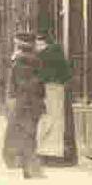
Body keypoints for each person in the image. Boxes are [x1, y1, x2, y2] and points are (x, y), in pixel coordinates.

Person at [2, 32, 46, 179]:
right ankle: (29, 168)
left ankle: (27, 167)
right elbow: (37, 84)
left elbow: (21, 84)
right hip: (31, 103)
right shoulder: (33, 60)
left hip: (23, 103)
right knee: (29, 135)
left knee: (24, 135)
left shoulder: (21, 61)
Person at [35, 33, 76, 165]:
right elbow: (66, 74)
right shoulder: (56, 53)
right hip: (57, 89)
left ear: (43, 43)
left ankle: (47, 153)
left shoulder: (43, 56)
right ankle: (55, 153)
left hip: (48, 90)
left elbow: (39, 74)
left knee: (48, 120)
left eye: (38, 44)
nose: (36, 46)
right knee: (56, 122)